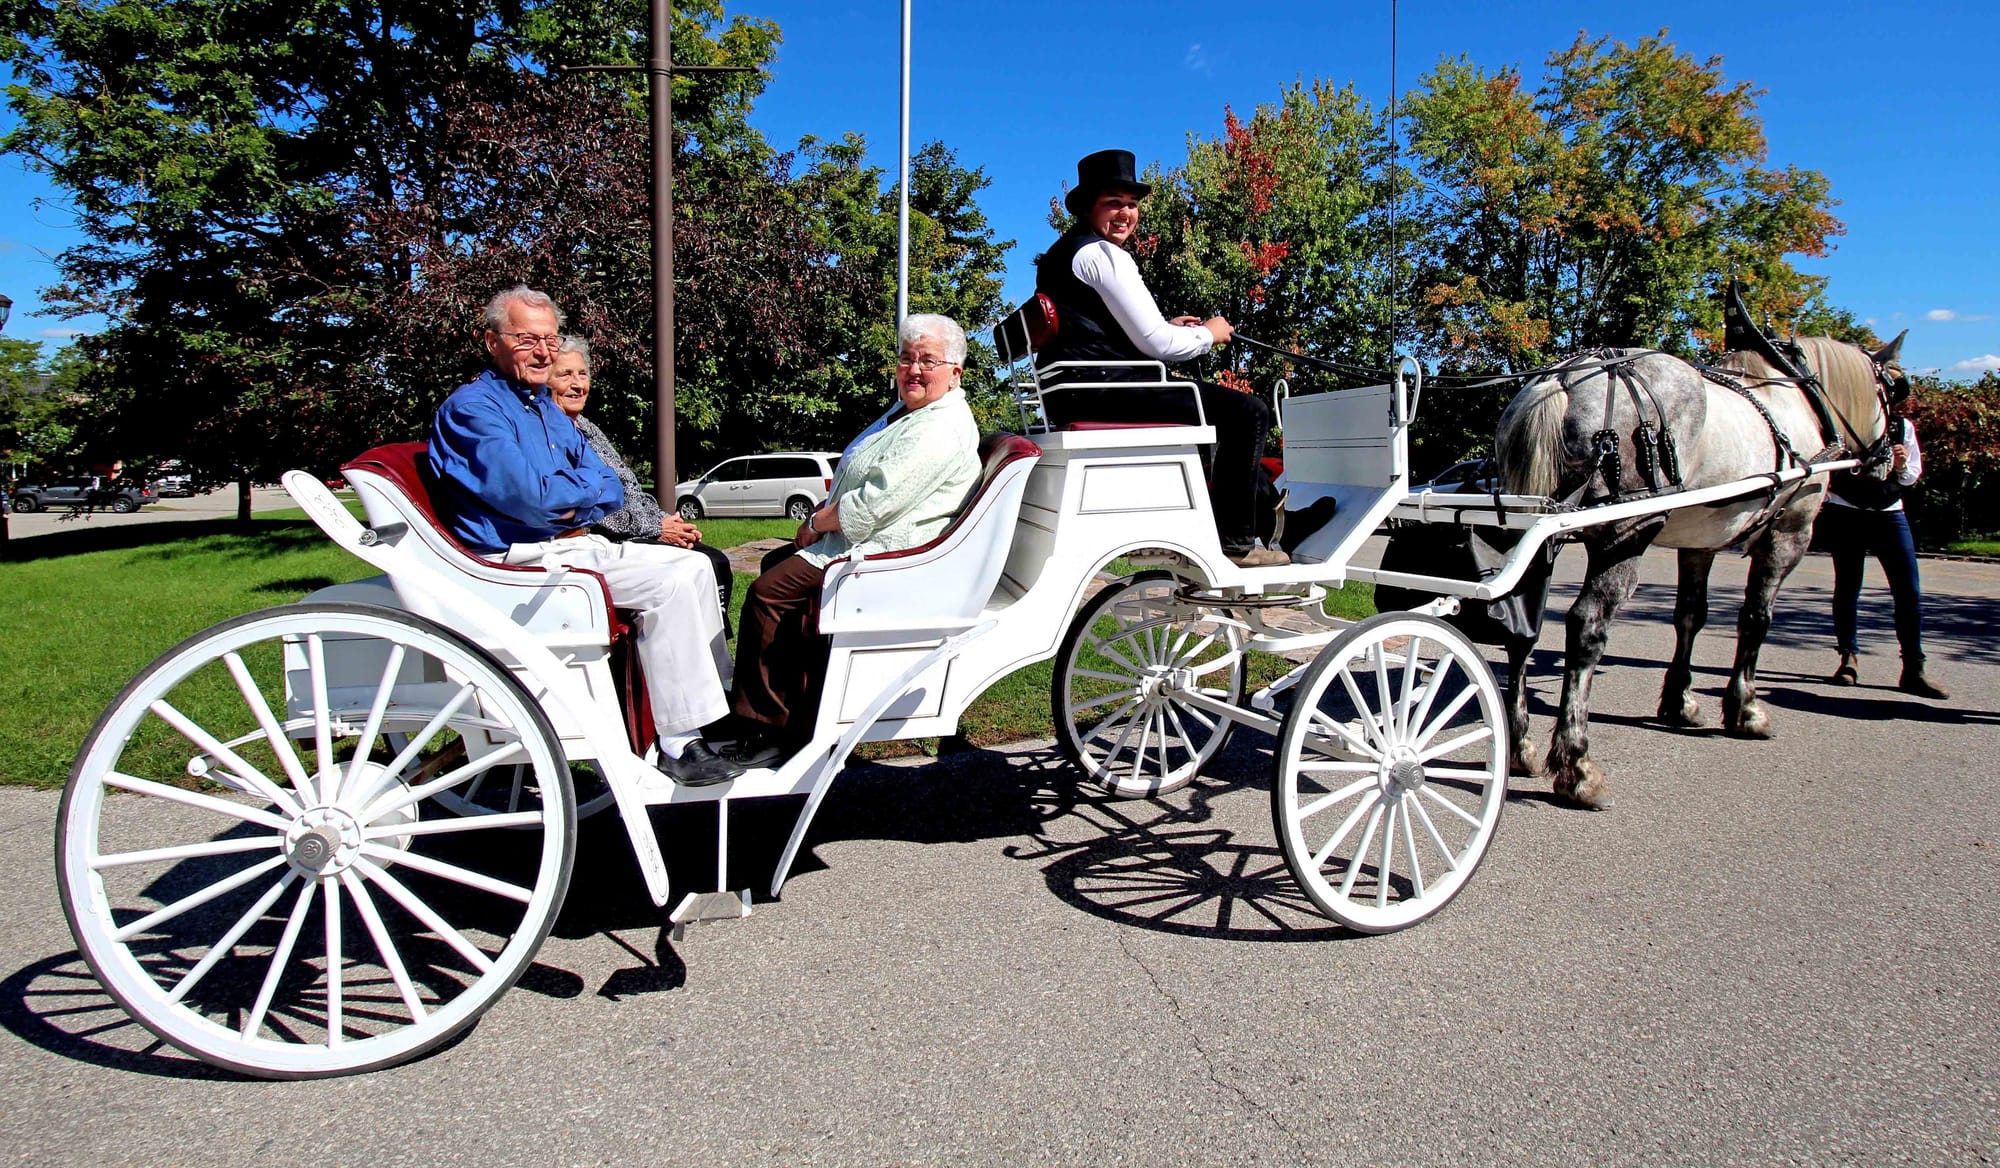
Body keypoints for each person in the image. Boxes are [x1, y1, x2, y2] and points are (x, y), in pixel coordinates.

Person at [427, 285, 736, 785]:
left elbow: (608, 482)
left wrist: (574, 493)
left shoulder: (543, 409)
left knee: (697, 565)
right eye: (526, 339)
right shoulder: (474, 411)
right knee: (668, 584)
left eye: (550, 340)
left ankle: (710, 713)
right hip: (512, 560)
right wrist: (575, 494)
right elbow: (534, 498)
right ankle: (679, 743)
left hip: (564, 544)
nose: (543, 352)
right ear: (491, 342)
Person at [692, 313, 982, 774]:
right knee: (774, 562)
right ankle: (791, 705)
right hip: (870, 536)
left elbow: (870, 507)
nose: (914, 370)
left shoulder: (938, 426)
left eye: (928, 361)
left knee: (769, 594)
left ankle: (770, 729)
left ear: (955, 372)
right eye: (907, 359)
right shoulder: (913, 413)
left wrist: (816, 521)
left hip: (889, 550)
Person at [1035, 148, 1286, 568]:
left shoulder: (1062, 255)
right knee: (1249, 412)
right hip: (1105, 389)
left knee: (1221, 418)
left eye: (1131, 204)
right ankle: (1236, 544)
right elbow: (1160, 346)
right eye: (1112, 202)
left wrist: (1169, 327)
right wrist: (1211, 334)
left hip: (1079, 388)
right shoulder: (1102, 255)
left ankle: (1274, 517)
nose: (1125, 214)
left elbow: (1094, 328)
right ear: (1089, 207)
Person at [548, 336, 734, 625]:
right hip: (607, 539)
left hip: (636, 528)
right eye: (565, 375)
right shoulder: (551, 434)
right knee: (706, 563)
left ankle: (711, 653)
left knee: (714, 562)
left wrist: (668, 521)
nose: (577, 384)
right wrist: (656, 528)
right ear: (545, 382)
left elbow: (628, 490)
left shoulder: (587, 427)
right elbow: (598, 508)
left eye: (582, 374)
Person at [1823, 412, 1948, 698]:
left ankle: (1914, 667)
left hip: (1889, 513)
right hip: (1846, 510)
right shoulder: (1843, 420)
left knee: (1908, 591)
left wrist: (1902, 466)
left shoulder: (1901, 427)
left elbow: (1912, 475)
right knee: (1847, 586)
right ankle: (1848, 658)